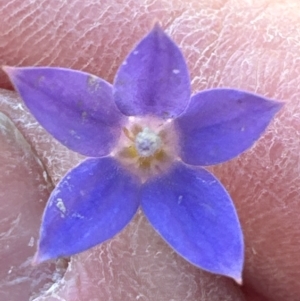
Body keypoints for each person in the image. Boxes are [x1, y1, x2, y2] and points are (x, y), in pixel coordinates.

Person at [0, 1, 299, 300]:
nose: (146, 144)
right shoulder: (108, 162)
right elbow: (50, 94)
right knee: (56, 240)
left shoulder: (186, 173)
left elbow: (214, 244)